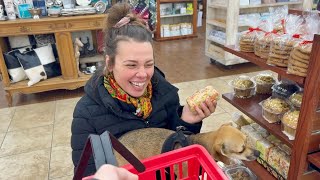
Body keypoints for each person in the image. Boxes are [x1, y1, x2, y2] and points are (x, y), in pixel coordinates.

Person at [71, 3, 217, 176]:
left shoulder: (164, 92)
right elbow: (84, 174)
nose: (142, 74)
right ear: (110, 63)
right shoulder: (87, 113)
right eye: (131, 65)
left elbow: (174, 144)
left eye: (149, 64)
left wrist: (186, 120)